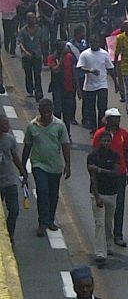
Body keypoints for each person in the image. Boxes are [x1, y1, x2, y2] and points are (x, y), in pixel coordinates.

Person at [22, 99, 71, 237]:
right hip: (39, 164)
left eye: (49, 111)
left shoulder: (59, 126)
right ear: (40, 111)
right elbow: (27, 146)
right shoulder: (32, 126)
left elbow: (65, 145)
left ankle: (50, 220)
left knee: (53, 194)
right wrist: (23, 166)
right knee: (42, 191)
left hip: (55, 166)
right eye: (44, 112)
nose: (47, 114)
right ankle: (42, 223)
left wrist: (68, 165)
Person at [91, 108, 128, 249]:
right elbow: (95, 154)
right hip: (103, 176)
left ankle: (118, 234)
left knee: (119, 204)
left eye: (118, 118)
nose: (117, 121)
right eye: (114, 118)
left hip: (119, 173)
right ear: (107, 120)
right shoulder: (100, 134)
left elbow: (125, 151)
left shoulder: (124, 134)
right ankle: (105, 237)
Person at [87, 131, 120, 266]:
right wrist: (97, 196)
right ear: (99, 141)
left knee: (108, 221)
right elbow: (92, 177)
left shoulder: (115, 155)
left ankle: (109, 244)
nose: (106, 143)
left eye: (108, 141)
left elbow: (116, 172)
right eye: (104, 141)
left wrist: (100, 170)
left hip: (112, 193)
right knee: (99, 223)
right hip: (98, 194)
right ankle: (100, 252)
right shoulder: (92, 156)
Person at [77, 35, 119, 132]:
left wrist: (116, 83)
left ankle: (101, 128)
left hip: (102, 85)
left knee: (102, 108)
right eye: (92, 42)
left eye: (96, 42)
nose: (94, 44)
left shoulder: (104, 54)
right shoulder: (84, 54)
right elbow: (80, 67)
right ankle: (93, 128)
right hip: (89, 86)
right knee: (91, 109)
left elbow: (110, 68)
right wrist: (90, 70)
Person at [0, 114, 27, 241]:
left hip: (10, 180)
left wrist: (23, 172)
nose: (8, 126)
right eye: (5, 124)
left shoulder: (9, 139)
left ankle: (10, 234)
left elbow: (15, 156)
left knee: (14, 210)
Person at [19, 12, 44, 101]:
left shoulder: (39, 30)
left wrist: (43, 54)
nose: (32, 20)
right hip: (27, 57)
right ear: (26, 19)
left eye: (33, 18)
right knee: (28, 74)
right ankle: (30, 90)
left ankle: (38, 92)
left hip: (37, 55)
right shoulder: (23, 31)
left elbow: (42, 42)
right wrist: (25, 52)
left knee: (37, 75)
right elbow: (21, 43)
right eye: (29, 18)